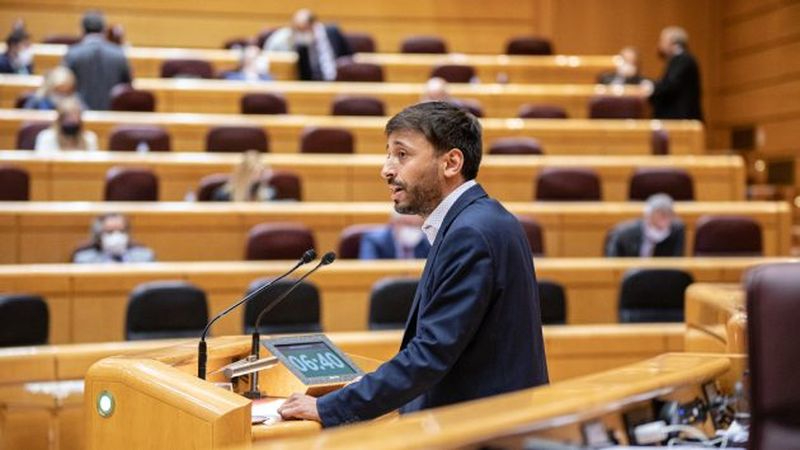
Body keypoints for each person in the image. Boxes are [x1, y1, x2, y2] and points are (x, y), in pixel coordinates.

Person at [278, 101, 549, 426]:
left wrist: (330, 407)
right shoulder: (485, 219)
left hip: (482, 432)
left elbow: (430, 354)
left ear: (451, 163)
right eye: (388, 154)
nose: (387, 170)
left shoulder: (470, 233)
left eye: (402, 155)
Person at [63, 11, 132, 110]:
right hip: (111, 115)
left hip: (80, 115)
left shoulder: (72, 54)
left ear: (82, 30)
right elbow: (128, 87)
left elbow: (63, 86)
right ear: (104, 30)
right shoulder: (119, 54)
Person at [263, 8, 352, 81]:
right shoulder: (300, 44)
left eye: (304, 29)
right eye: (298, 30)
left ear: (313, 25)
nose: (301, 33)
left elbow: (349, 56)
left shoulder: (333, 32)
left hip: (338, 80)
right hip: (314, 83)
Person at [641, 26, 703, 120]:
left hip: (682, 121)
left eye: (662, 41)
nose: (660, 45)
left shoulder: (683, 59)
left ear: (673, 43)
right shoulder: (679, 60)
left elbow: (670, 85)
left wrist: (651, 87)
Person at [605, 193, 685, 257]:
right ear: (648, 215)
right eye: (661, 213)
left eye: (669, 214)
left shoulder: (676, 231)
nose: (665, 218)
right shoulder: (623, 234)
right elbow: (612, 264)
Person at [73, 213, 155, 263]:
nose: (116, 236)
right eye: (110, 232)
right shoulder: (84, 260)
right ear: (98, 235)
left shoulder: (144, 257)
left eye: (121, 231)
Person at [34, 96, 99, 153]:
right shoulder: (46, 138)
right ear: (60, 120)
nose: (71, 121)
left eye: (75, 118)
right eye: (67, 118)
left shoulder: (89, 139)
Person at [358, 213, 431, 260]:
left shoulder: (428, 242)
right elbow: (369, 271)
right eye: (407, 224)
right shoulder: (373, 241)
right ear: (393, 223)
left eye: (417, 226)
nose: (411, 229)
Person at [210, 150, 276, 202]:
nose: (257, 178)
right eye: (253, 173)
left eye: (261, 173)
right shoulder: (222, 196)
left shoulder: (270, 195)